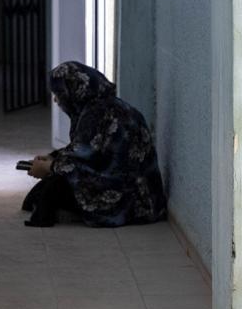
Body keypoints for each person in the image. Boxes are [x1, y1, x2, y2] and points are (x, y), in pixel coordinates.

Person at [22, 61, 168, 227]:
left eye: (59, 94)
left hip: (129, 199)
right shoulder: (106, 105)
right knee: (40, 193)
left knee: (53, 188)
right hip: (144, 196)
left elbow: (84, 160)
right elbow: (89, 150)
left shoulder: (96, 114)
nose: (56, 100)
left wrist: (49, 167)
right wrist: (52, 158)